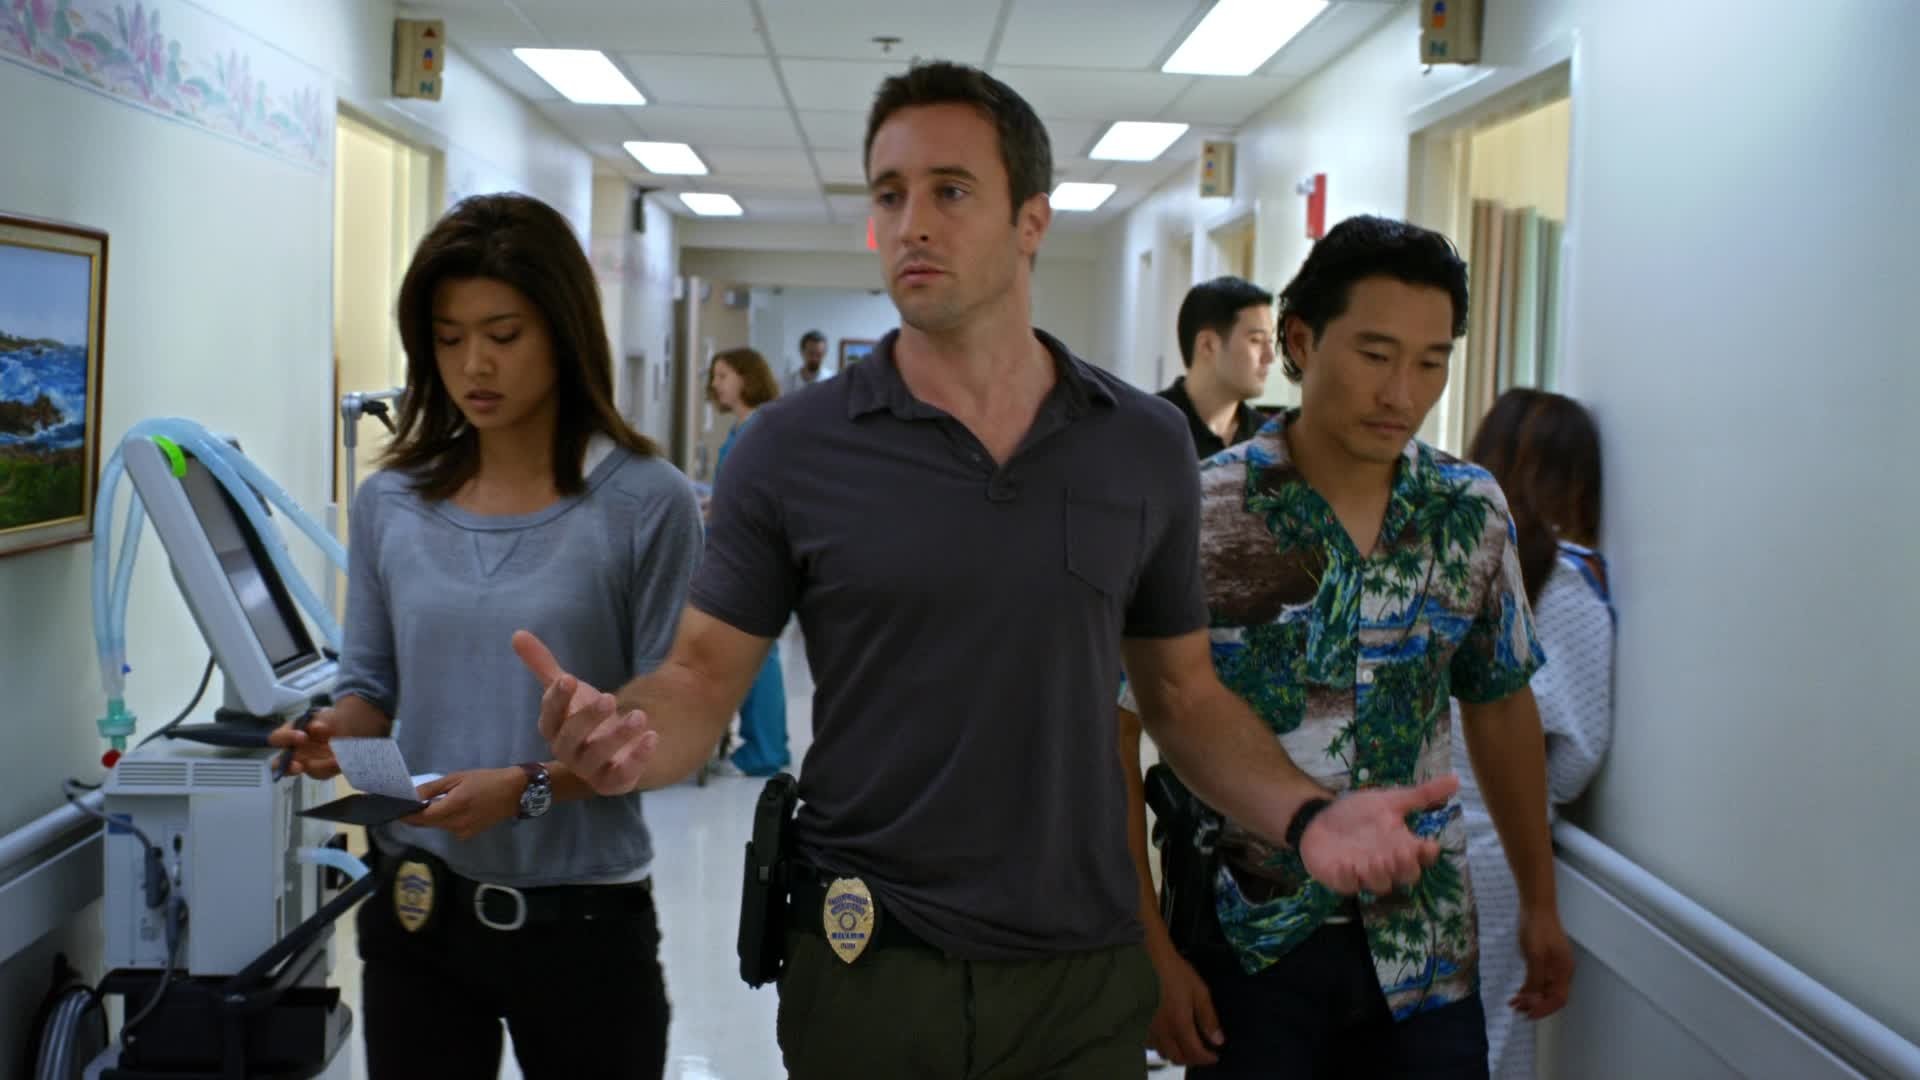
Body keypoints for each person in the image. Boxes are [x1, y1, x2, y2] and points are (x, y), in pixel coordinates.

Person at [516, 63, 1457, 1079]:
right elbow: (701, 678)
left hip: (1080, 973)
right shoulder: (791, 450)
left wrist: (1306, 814)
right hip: (869, 961)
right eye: (889, 194)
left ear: (1030, 221)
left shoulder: (1140, 447)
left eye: (951, 191)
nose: (912, 223)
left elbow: (1183, 696)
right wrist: (629, 733)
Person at [1122, 215, 1575, 1079]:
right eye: (1375, 354)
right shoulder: (1200, 510)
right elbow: (1116, 729)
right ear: (1301, 341)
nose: (1402, 391)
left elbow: (1499, 702)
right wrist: (1148, 947)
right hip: (1251, 946)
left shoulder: (1468, 509)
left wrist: (1539, 901)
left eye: (1432, 362)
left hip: (1425, 946)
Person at [270, 194, 698, 1080]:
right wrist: (336, 737)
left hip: (583, 921)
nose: (475, 364)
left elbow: (666, 736)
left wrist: (528, 788)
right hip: (417, 910)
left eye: (504, 334)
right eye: (449, 337)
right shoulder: (393, 501)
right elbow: (370, 686)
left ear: (564, 334)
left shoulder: (645, 503)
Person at [1454, 388, 1612, 1079]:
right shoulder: (1565, 581)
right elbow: (1576, 756)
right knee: (1487, 1044)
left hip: (1399, 834)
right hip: (1496, 851)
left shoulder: (1447, 551)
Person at [706, 346, 790, 777]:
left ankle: (767, 750)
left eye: (723, 376)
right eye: (714, 377)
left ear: (746, 377)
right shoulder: (742, 429)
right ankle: (766, 744)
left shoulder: (760, 429)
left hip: (754, 556)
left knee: (757, 652)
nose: (716, 385)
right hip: (741, 552)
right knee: (754, 651)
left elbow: (762, 497)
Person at [1159, 275, 1276, 458]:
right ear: (1208, 345)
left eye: (1270, 341)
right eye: (1256, 340)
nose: (1270, 357)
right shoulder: (1149, 427)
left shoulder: (1267, 441)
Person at [782, 329, 829, 394]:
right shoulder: (788, 383)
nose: (814, 358)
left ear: (824, 354)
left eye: (819, 354)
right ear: (802, 352)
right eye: (811, 353)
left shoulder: (831, 381)